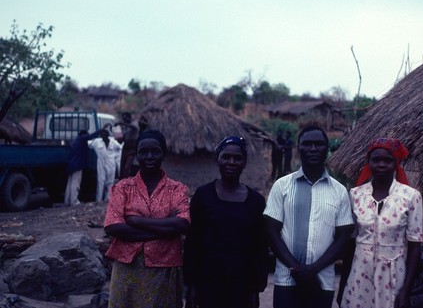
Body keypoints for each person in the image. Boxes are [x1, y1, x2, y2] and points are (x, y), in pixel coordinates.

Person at [264, 125, 354, 308]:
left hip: (322, 281)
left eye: (319, 144)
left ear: (326, 149)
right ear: (299, 148)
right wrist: (297, 269)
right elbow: (271, 232)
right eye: (307, 144)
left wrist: (313, 269)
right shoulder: (282, 186)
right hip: (286, 280)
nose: (313, 149)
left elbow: (343, 237)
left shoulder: (339, 191)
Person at [104, 129, 191, 308]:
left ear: (164, 154)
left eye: (155, 151)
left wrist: (137, 221)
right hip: (127, 270)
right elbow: (113, 226)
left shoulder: (177, 189)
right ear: (136, 155)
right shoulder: (123, 188)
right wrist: (165, 231)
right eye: (143, 152)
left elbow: (183, 223)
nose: (149, 156)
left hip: (163, 269)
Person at [183, 136, 268, 308]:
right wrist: (191, 286)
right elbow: (192, 243)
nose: (231, 162)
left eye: (238, 158)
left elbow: (260, 249)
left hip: (242, 285)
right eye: (226, 157)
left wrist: (256, 290)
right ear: (218, 160)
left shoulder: (256, 201)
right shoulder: (203, 195)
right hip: (208, 282)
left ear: (244, 163)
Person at [340, 138, 423, 308]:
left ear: (396, 163)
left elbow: (415, 246)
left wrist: (406, 291)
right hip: (360, 275)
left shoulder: (411, 197)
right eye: (376, 160)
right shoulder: (355, 195)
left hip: (394, 277)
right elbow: (350, 244)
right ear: (368, 162)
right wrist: (342, 285)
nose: (381, 165)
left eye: (387, 160)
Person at [64, 129, 101, 206]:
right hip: (77, 165)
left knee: (70, 184)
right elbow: (91, 136)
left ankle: (67, 201)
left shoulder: (75, 141)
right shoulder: (81, 139)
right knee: (75, 183)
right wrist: (101, 130)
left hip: (71, 165)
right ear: (83, 135)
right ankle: (74, 201)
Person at [88, 128, 122, 202]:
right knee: (100, 181)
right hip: (101, 162)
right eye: (102, 133)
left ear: (108, 134)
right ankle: (99, 200)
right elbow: (88, 143)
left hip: (111, 163)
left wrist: (117, 158)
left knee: (110, 181)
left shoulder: (113, 142)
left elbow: (120, 148)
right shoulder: (97, 142)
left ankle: (108, 198)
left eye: (105, 133)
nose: (103, 134)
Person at [115, 112, 139, 179]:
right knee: (122, 166)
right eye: (123, 118)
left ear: (129, 118)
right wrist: (117, 136)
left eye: (125, 118)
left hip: (132, 148)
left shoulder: (134, 124)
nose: (124, 120)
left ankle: (127, 181)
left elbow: (134, 128)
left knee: (127, 167)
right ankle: (122, 181)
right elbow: (121, 140)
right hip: (125, 147)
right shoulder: (124, 128)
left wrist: (121, 124)